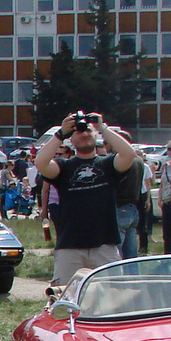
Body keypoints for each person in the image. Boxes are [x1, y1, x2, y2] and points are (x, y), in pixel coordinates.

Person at [34, 111, 136, 285]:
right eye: (79, 131)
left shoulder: (108, 164)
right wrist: (60, 133)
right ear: (71, 140)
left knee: (110, 298)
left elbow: (129, 154)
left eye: (88, 130)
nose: (85, 134)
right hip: (70, 247)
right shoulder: (64, 167)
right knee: (64, 300)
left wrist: (102, 127)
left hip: (105, 246)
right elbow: (41, 162)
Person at [108, 127, 146, 259]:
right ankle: (132, 277)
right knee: (131, 254)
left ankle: (116, 278)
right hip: (133, 208)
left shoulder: (121, 162)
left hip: (119, 207)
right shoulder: (139, 161)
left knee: (115, 254)